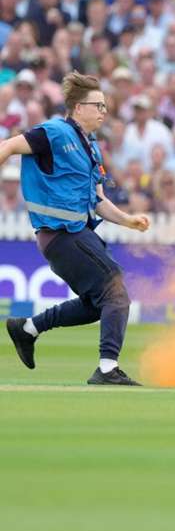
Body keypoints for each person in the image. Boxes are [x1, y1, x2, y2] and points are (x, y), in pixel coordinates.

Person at [1, 72, 150, 385]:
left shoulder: (91, 147)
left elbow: (97, 201)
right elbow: (9, 146)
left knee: (100, 303)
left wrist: (128, 221)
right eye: (98, 106)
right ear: (78, 107)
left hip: (72, 234)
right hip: (63, 234)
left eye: (105, 106)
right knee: (115, 291)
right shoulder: (53, 132)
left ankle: (27, 328)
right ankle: (107, 369)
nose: (103, 112)